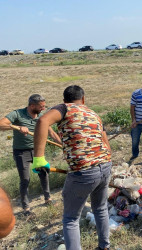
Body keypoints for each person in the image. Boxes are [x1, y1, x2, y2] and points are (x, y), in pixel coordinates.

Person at [32, 85, 112, 250]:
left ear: (64, 100)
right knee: (101, 208)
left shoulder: (64, 108)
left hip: (83, 172)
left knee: (70, 218)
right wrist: (104, 160)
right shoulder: (93, 113)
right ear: (83, 99)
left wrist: (38, 158)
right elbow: (105, 141)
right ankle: (105, 246)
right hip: (105, 165)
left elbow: (42, 120)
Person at [0, 94, 61, 215]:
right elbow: (1, 124)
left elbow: (52, 133)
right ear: (32, 105)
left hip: (38, 150)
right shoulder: (17, 114)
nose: (43, 109)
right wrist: (18, 127)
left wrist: (62, 145)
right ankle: (26, 208)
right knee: (25, 179)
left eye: (44, 106)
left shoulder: (42, 117)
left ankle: (48, 199)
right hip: (21, 152)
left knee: (44, 173)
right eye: (41, 106)